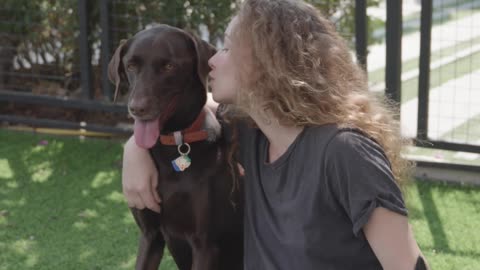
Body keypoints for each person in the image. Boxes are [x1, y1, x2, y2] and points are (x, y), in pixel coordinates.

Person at [122, 0, 428, 269]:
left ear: (269, 63)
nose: (213, 58)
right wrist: (135, 147)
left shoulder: (346, 152)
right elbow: (194, 117)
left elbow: (406, 265)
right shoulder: (252, 132)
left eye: (227, 47)